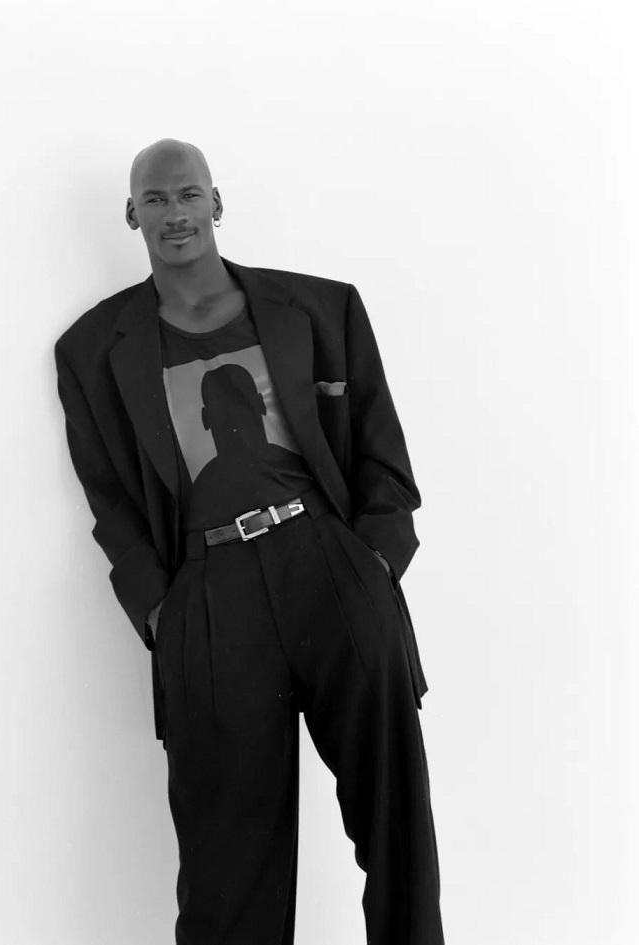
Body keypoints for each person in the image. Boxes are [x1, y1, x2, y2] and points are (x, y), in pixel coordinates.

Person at [53, 137, 444, 944]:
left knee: (396, 826)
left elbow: (381, 452)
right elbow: (110, 498)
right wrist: (162, 612)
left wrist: (373, 568)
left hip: (329, 567)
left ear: (217, 202)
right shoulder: (92, 350)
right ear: (131, 215)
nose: (174, 213)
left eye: (187, 194)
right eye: (155, 199)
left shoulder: (323, 308)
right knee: (226, 874)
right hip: (209, 595)